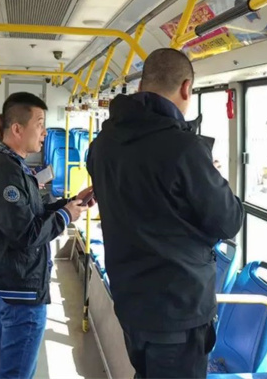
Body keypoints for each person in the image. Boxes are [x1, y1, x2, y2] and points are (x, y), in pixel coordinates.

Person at [87, 48, 244, 378]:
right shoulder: (185, 149)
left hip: (131, 303)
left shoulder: (102, 144)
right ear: (186, 88)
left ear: (142, 85)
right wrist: (212, 176)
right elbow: (229, 221)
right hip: (176, 311)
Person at [0, 92, 93, 379]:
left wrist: (70, 203)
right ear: (17, 129)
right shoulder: (7, 173)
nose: (44, 132)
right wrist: (65, 217)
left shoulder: (12, 165)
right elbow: (26, 233)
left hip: (13, 284)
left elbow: (32, 212)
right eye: (39, 124)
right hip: (21, 289)